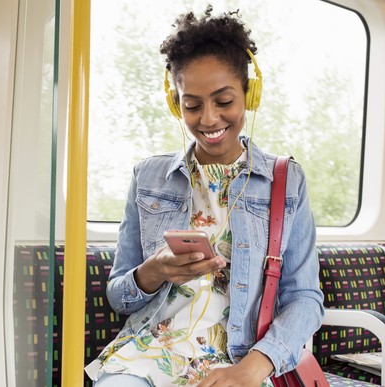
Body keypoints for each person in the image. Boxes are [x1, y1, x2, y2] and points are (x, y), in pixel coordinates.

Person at [85, 6, 324, 387]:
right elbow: (118, 295)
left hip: (238, 358)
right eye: (192, 105)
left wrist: (254, 367)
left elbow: (306, 299)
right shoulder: (147, 177)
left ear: (249, 94)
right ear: (174, 103)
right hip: (148, 354)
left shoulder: (287, 180)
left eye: (224, 101)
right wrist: (153, 272)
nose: (209, 119)